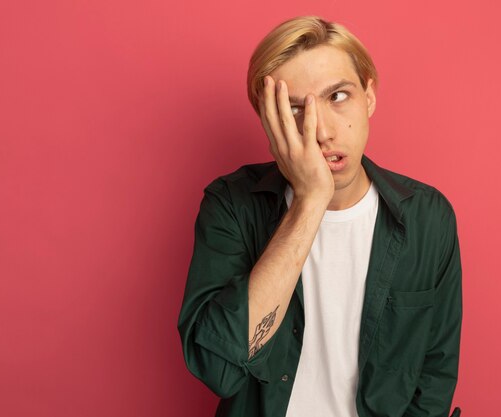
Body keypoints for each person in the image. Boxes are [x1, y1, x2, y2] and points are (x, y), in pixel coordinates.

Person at [178, 15, 463, 417]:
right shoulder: (231, 205)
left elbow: (434, 374)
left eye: (338, 97)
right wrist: (310, 201)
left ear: (369, 96)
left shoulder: (428, 217)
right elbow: (220, 369)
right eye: (294, 108)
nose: (321, 131)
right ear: (268, 121)